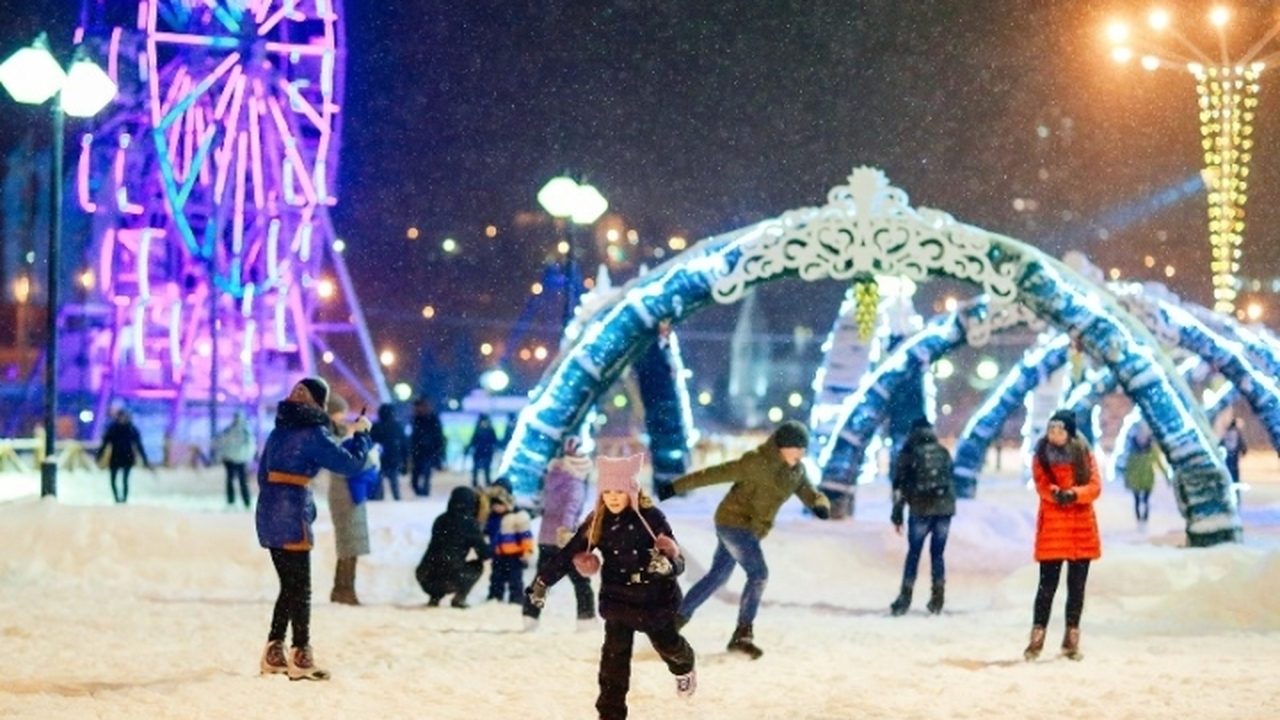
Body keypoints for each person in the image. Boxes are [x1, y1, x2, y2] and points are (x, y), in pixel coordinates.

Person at [525, 453, 697, 720]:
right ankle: (610, 714)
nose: (614, 497)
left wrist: (668, 566)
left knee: (668, 645)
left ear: (630, 490)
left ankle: (684, 667)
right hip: (619, 600)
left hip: (655, 599)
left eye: (619, 491)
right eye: (608, 492)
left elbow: (678, 560)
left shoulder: (651, 518)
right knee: (613, 662)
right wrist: (542, 582)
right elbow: (569, 554)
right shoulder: (598, 523)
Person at [658, 419, 831, 659]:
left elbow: (811, 493)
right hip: (732, 522)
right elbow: (715, 474)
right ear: (782, 446)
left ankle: (672, 625)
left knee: (717, 576)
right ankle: (742, 635)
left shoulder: (796, 472)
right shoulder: (756, 462)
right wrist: (675, 487)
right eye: (797, 447)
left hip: (751, 530)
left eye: (803, 449)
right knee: (758, 574)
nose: (801, 453)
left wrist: (820, 504)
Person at [255, 377, 372, 681]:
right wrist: (361, 436)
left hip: (268, 512)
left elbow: (262, 474)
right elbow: (350, 465)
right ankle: (301, 654)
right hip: (291, 514)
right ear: (319, 404)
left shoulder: (278, 431)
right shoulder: (312, 434)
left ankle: (274, 650)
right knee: (301, 588)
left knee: (289, 585)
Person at [1023, 409, 1102, 663]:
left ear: (1069, 433)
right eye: (1051, 429)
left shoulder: (1084, 453)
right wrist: (1054, 494)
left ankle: (1071, 640)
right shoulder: (1042, 454)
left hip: (1081, 529)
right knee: (1046, 587)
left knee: (1076, 588)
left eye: (1059, 430)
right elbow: (1041, 484)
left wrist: (1074, 494)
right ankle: (1036, 639)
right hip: (1053, 530)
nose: (1054, 434)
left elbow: (1095, 486)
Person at [522, 437, 597, 631]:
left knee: (541, 579)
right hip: (565, 540)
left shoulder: (552, 478)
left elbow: (543, 506)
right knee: (581, 581)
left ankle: (530, 616)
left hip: (545, 537)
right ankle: (586, 620)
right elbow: (570, 510)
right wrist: (566, 531)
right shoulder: (575, 484)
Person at [888, 417, 957, 616]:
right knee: (938, 554)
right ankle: (938, 599)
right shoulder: (941, 450)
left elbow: (899, 485)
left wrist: (897, 514)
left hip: (920, 508)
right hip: (944, 509)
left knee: (914, 553)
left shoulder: (909, 451)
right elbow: (951, 477)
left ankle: (904, 599)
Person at [324, 395, 380, 606]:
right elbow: (346, 462)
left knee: (351, 543)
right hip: (344, 494)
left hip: (349, 493)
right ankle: (344, 590)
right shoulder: (329, 435)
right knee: (349, 543)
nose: (343, 417)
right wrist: (358, 435)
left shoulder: (336, 432)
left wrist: (357, 436)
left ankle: (343, 588)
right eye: (340, 413)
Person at [415, 486, 491, 608]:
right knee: (477, 566)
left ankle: (435, 597)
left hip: (425, 575)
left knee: (442, 563)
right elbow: (485, 554)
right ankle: (459, 598)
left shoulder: (440, 519)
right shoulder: (470, 524)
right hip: (451, 577)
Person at [484, 480, 534, 603]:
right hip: (498, 554)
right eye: (494, 505)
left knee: (515, 578)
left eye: (500, 504)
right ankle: (495, 596)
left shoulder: (518, 516)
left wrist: (527, 551)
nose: (497, 508)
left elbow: (526, 536)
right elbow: (488, 532)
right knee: (496, 577)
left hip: (514, 555)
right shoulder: (492, 517)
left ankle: (516, 598)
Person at [96, 409, 152, 504]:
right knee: (113, 479)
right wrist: (99, 456)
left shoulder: (130, 429)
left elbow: (139, 445)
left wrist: (145, 459)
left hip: (127, 457)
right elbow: (105, 443)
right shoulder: (113, 428)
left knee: (125, 479)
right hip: (116, 456)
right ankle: (117, 498)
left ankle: (124, 498)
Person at [1121, 423, 1167, 525]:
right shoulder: (1132, 452)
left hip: (1147, 479)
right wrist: (1126, 480)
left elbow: (1158, 463)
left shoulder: (1151, 451)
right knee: (1137, 500)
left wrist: (1166, 476)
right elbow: (1128, 467)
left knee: (1146, 500)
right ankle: (1139, 519)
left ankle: (1145, 519)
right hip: (1135, 480)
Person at [215, 410, 257, 509]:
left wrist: (248, 457)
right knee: (235, 481)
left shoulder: (244, 431)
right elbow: (222, 444)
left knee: (239, 482)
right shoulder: (231, 430)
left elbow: (250, 446)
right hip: (233, 459)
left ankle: (243, 502)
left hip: (238, 459)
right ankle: (235, 501)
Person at [409, 399, 446, 497]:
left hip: (428, 451)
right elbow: (414, 437)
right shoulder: (417, 419)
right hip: (419, 452)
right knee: (416, 475)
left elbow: (438, 436)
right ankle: (420, 491)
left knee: (426, 473)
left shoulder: (432, 419)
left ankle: (424, 492)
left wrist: (438, 451)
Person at [368, 404, 405, 501]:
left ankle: (378, 499)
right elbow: (403, 444)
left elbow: (370, 443)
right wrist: (404, 459)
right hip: (393, 459)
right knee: (394, 482)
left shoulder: (376, 427)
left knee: (378, 483)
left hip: (379, 459)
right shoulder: (397, 427)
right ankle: (397, 499)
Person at [465, 413, 500, 488]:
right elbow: (473, 441)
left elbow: (494, 441)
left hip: (487, 453)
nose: (484, 423)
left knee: (486, 468)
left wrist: (493, 448)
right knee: (476, 469)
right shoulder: (478, 430)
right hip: (479, 453)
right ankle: (475, 482)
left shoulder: (490, 430)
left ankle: (487, 481)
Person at [1220, 417, 1247, 503]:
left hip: (1228, 457)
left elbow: (1221, 443)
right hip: (1233, 458)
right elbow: (1241, 444)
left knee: (1228, 477)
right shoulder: (1236, 433)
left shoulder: (1225, 433)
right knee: (1234, 477)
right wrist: (1243, 450)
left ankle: (1228, 497)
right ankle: (1235, 498)